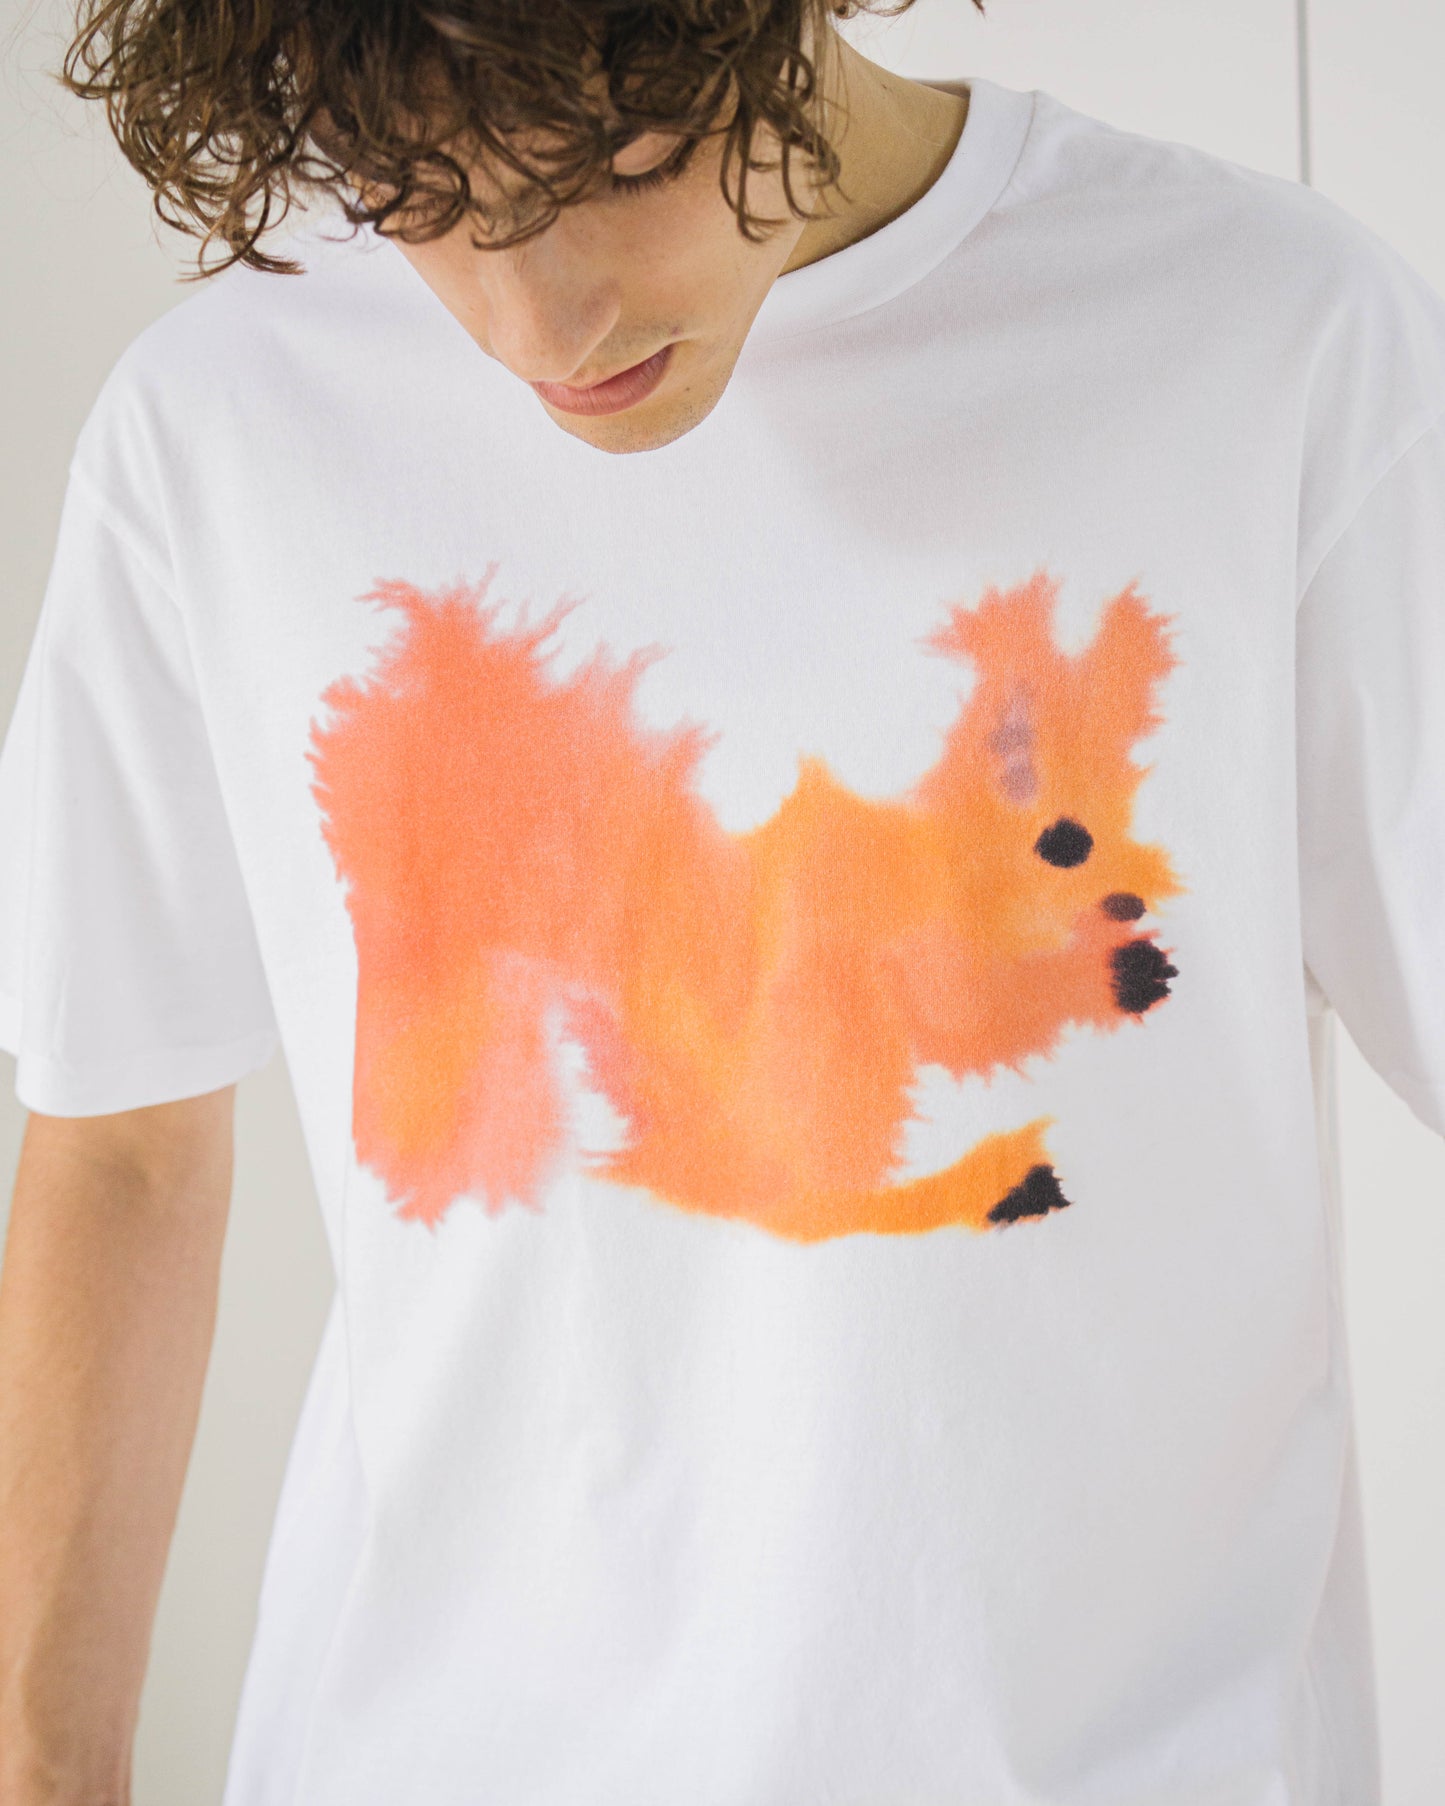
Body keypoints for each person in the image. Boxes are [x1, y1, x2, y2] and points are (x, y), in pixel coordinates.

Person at [0, 0, 1441, 1798]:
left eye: (613, 160)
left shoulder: (1268, 342)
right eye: (415, 193)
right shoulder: (222, 423)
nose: (537, 323)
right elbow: (123, 1145)